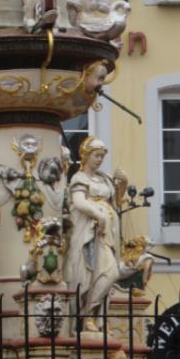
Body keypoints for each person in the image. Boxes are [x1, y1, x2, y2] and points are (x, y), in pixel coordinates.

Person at [66, 136, 122, 325]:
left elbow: (117, 202)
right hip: (89, 234)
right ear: (85, 155)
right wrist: (98, 215)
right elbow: (79, 202)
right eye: (96, 155)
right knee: (90, 273)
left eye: (102, 156)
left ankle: (93, 312)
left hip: (107, 234)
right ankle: (87, 314)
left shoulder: (104, 179)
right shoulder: (79, 178)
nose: (99, 160)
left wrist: (123, 183)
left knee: (110, 272)